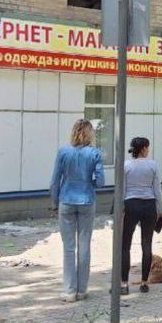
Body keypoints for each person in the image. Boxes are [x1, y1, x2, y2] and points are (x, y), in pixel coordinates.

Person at [50, 118, 105, 302]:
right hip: (87, 201)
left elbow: (55, 180)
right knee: (84, 246)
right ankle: (82, 290)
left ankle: (69, 291)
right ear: (90, 134)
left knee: (69, 247)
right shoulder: (95, 153)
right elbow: (100, 182)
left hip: (66, 200)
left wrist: (54, 202)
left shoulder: (63, 152)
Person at [121, 137, 162, 295]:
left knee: (125, 245)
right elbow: (157, 189)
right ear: (144, 148)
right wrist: (160, 210)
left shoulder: (126, 165)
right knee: (147, 245)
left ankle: (124, 284)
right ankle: (144, 283)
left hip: (131, 205)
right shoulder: (152, 165)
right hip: (149, 206)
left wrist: (121, 209)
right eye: (148, 147)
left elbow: (122, 189)